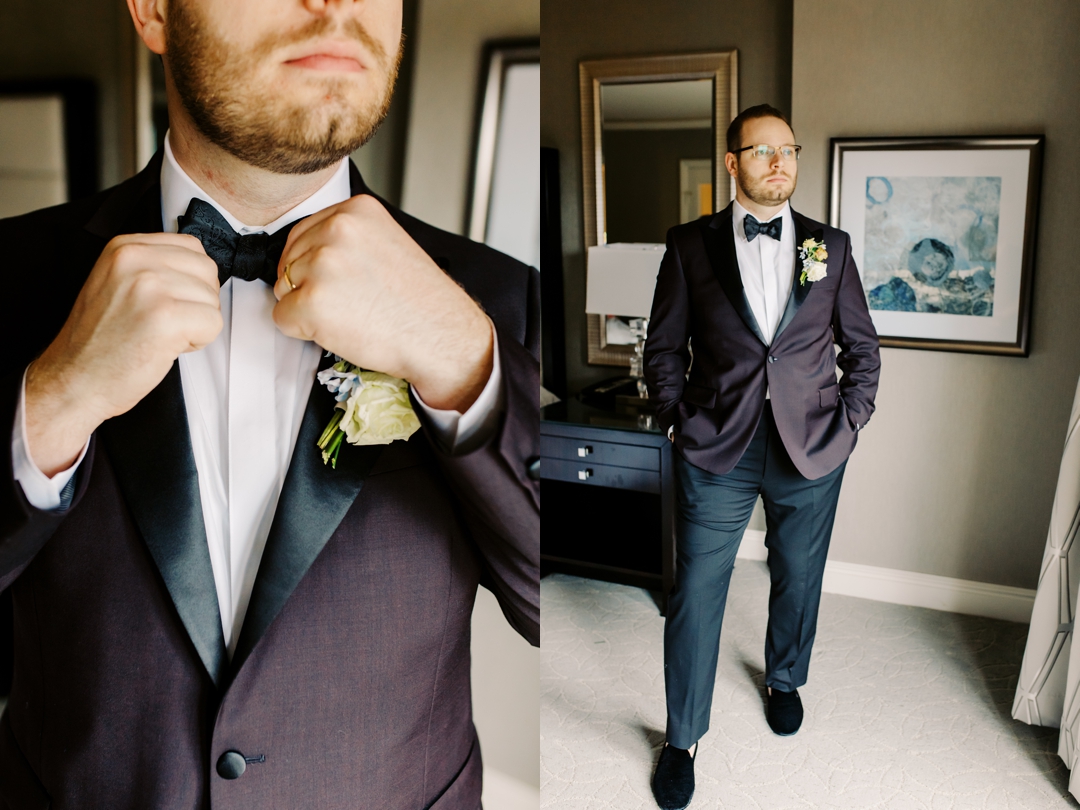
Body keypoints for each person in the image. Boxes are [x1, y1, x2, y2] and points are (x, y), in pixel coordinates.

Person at [0, 1, 539, 807]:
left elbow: (558, 604)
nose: (336, 4)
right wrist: (50, 402)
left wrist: (464, 366)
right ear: (153, 10)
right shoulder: (9, 276)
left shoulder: (503, 302)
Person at [643, 104, 880, 810]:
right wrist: (677, 419)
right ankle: (682, 737)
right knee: (695, 595)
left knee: (799, 577)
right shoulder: (689, 245)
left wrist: (851, 422)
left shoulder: (830, 248)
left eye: (788, 150)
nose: (778, 162)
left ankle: (784, 678)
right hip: (718, 445)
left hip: (812, 447)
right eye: (761, 150)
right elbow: (662, 348)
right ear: (732, 162)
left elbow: (861, 349)